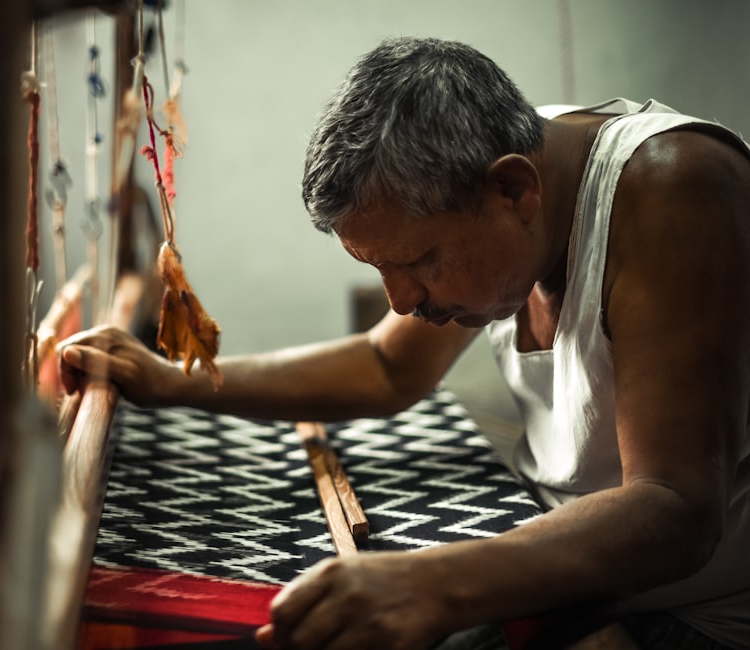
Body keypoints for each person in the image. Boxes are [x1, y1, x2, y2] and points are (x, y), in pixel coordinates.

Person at [59, 37, 750, 649]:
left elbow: (675, 507)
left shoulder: (674, 189)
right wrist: (174, 380)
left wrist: (430, 583)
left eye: (419, 262)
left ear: (515, 189)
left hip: (697, 613)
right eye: (381, 271)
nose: (401, 301)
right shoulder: (501, 163)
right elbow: (386, 365)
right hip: (571, 566)